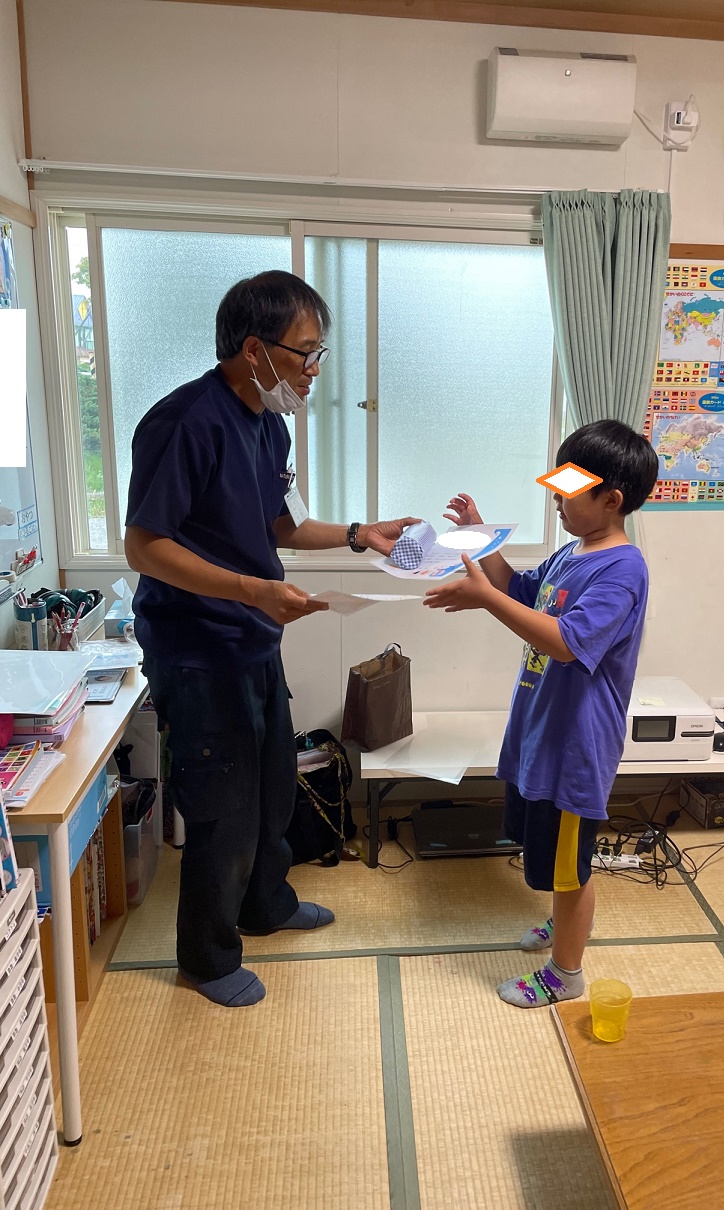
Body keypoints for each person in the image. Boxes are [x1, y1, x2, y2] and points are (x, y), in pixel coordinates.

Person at [125, 270, 418, 1008]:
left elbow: (282, 526)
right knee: (221, 804)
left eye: (320, 354)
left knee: (270, 786)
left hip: (253, 637)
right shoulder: (184, 422)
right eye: (305, 353)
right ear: (254, 349)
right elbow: (145, 546)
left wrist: (361, 534)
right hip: (197, 648)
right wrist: (254, 590)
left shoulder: (268, 421)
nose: (314, 370)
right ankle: (207, 958)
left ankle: (266, 904)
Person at [425, 419, 658, 1008]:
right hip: (540, 730)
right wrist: (482, 542)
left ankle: (565, 975)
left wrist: (485, 599)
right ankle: (562, 924)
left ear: (612, 500)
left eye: (569, 490)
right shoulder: (573, 551)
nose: (556, 498)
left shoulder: (623, 570)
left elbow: (567, 642)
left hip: (575, 746)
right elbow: (522, 591)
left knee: (571, 869)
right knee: (551, 857)